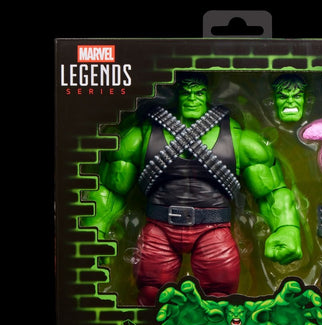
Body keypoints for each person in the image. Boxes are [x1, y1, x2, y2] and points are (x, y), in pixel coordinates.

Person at [83, 73, 302, 305]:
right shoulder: (142, 135)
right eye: (187, 92)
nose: (192, 98)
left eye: (198, 93)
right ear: (178, 94)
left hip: (213, 229)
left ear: (207, 94)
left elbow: (271, 191)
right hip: (159, 229)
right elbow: (111, 189)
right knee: (150, 294)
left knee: (220, 296)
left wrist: (287, 227)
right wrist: (95, 231)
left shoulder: (240, 139)